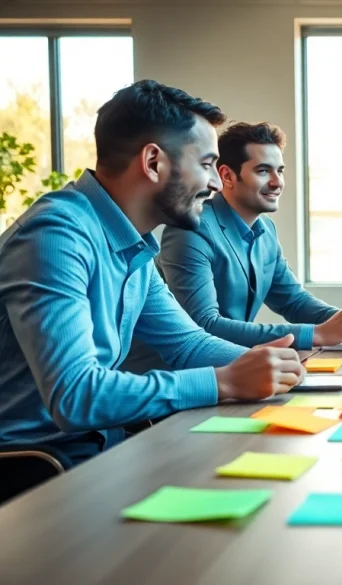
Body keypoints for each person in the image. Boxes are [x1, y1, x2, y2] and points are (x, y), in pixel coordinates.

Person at [0, 80, 304, 465]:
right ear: (153, 162)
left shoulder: (133, 245)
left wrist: (283, 371)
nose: (214, 183)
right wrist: (223, 381)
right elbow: (76, 395)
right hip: (35, 464)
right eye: (207, 164)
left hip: (102, 445)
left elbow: (188, 344)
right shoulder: (56, 236)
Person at [155, 121, 342, 350]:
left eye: (279, 170)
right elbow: (204, 325)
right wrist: (316, 334)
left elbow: (293, 302)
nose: (277, 182)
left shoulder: (265, 230)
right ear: (227, 176)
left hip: (230, 364)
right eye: (263, 171)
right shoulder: (191, 230)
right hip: (175, 375)